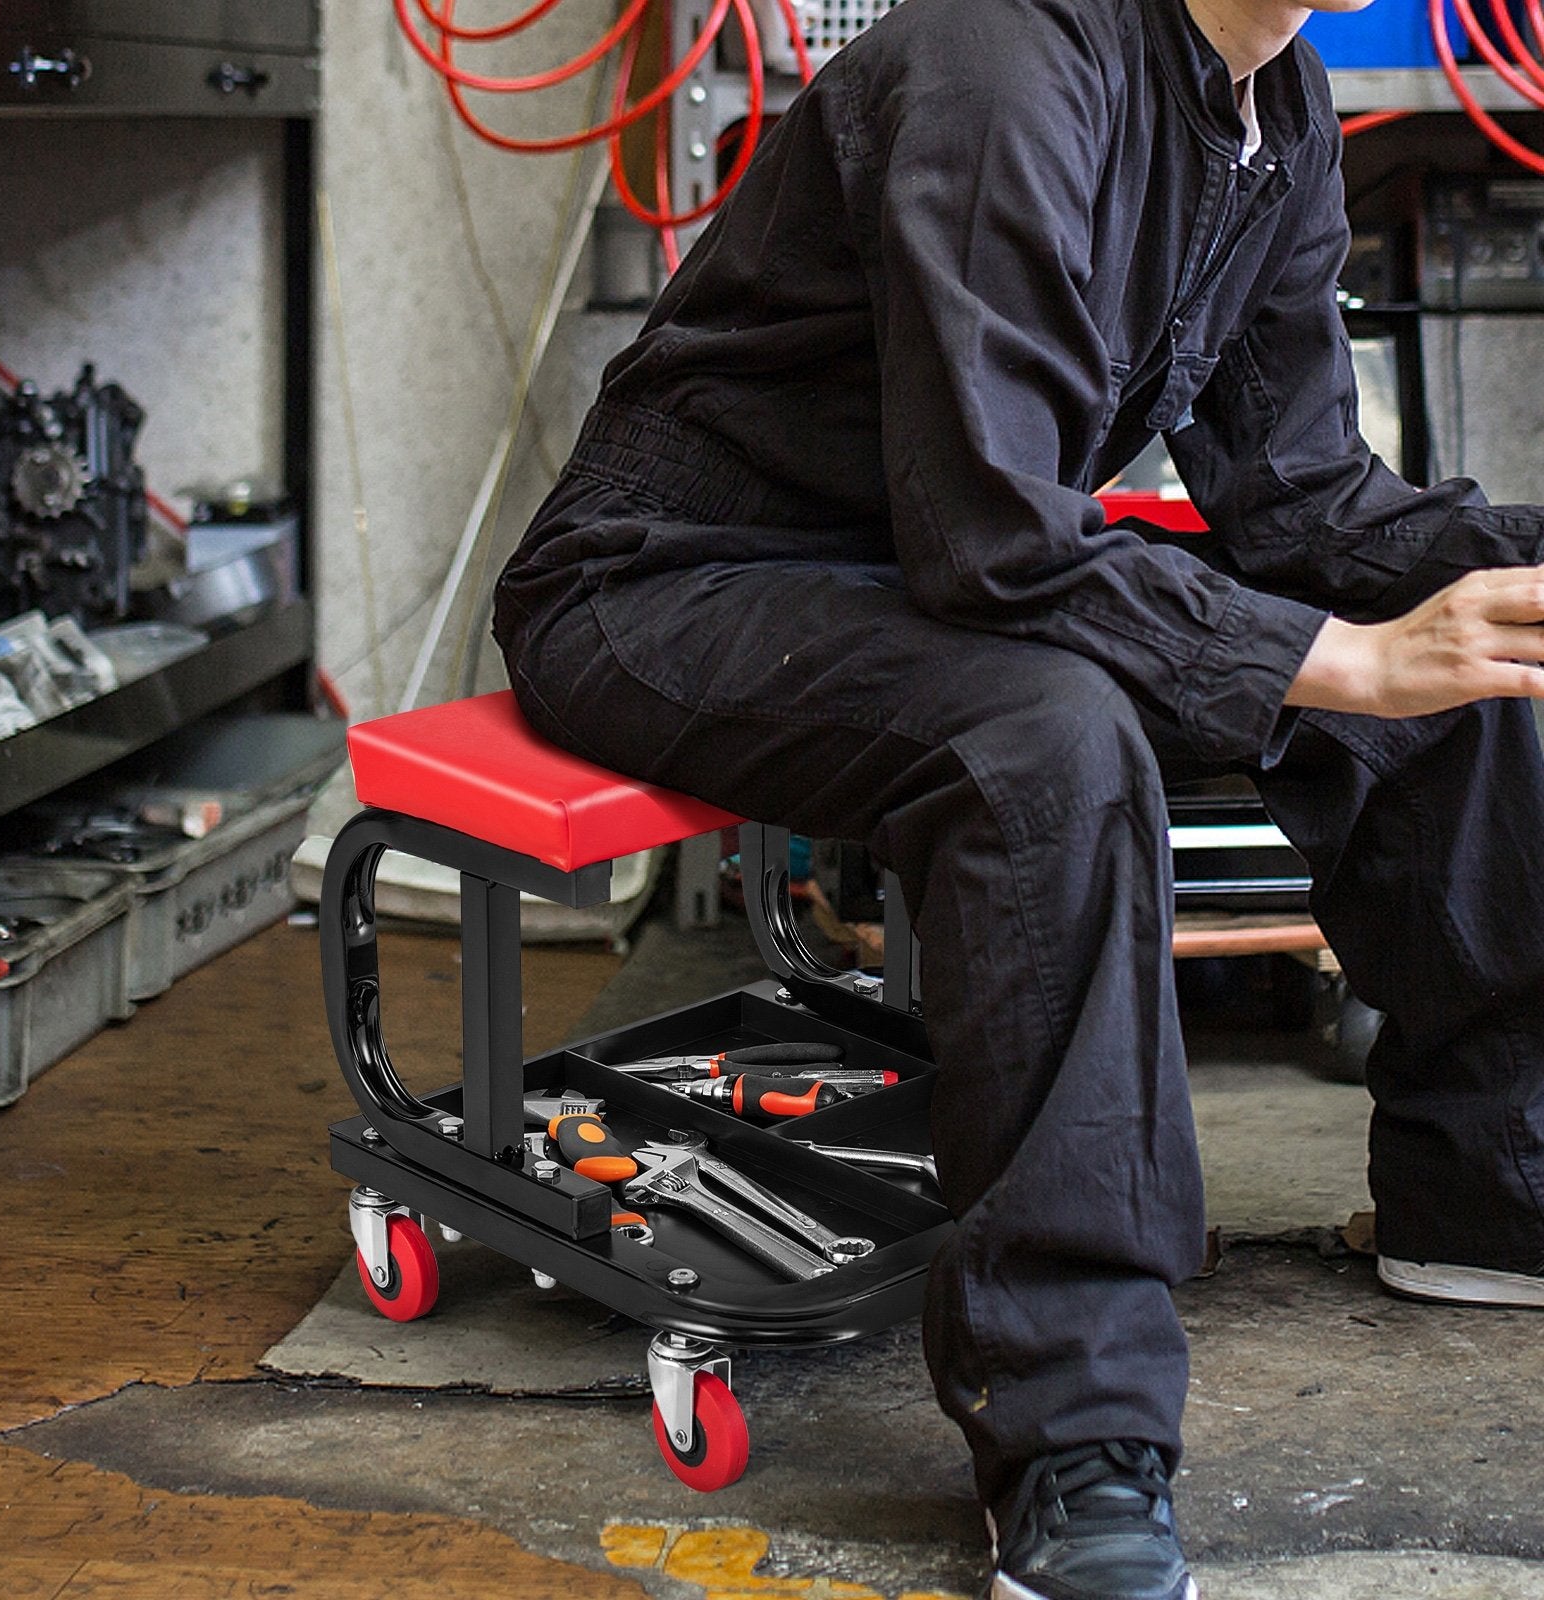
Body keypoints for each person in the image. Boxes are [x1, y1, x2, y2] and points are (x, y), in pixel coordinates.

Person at [493, 0, 1544, 1593]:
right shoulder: (1003, 62)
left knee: (1470, 659)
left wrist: (1504, 579)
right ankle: (1072, 1428)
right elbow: (1000, 538)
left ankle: (1490, 1185)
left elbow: (1303, 497)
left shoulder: (1280, 103)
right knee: (1048, 738)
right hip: (675, 580)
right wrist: (1346, 659)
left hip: (926, 565)